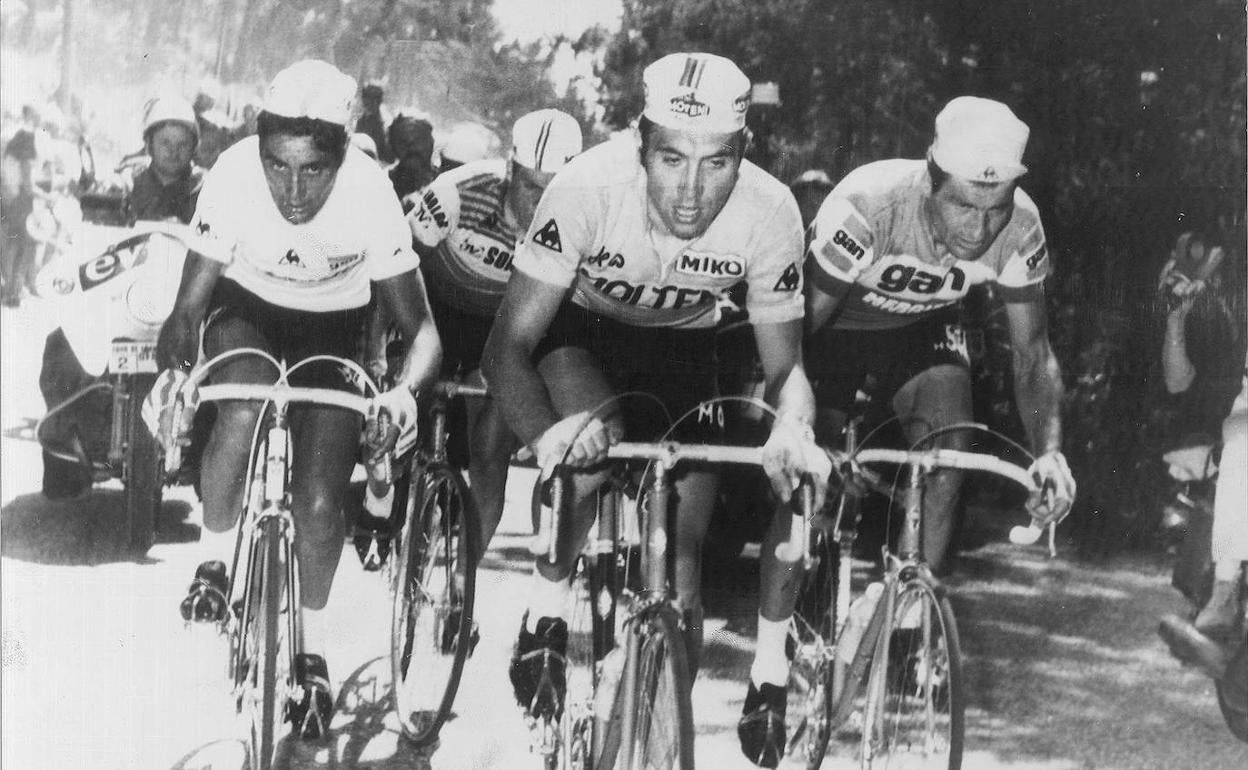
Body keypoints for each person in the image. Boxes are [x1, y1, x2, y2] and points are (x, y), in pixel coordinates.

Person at [480, 52, 829, 725]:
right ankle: (548, 609)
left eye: (717, 163)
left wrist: (793, 426)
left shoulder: (771, 210)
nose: (693, 190)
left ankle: (658, 731)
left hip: (681, 347)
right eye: (672, 160)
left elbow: (787, 371)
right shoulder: (585, 188)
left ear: (743, 152)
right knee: (588, 455)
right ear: (640, 145)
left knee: (682, 570)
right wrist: (546, 435)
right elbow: (507, 347)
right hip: (581, 329)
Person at [739, 96, 1078, 766]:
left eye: (996, 207)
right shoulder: (869, 204)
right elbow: (798, 333)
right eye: (963, 207)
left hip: (923, 333)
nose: (981, 228)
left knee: (954, 438)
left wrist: (1050, 453)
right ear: (930, 177)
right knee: (808, 480)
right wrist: (804, 427)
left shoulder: (1021, 227)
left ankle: (914, 616)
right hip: (834, 328)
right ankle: (768, 670)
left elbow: (1033, 355)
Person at [145, 59, 442, 738]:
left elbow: (420, 329)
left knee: (316, 502)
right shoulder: (230, 176)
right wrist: (175, 375)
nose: (293, 189)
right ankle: (212, 564)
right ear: (259, 149)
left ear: (343, 156)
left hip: (333, 328)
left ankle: (313, 655)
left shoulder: (370, 192)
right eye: (279, 166)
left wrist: (402, 394)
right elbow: (187, 310)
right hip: (246, 308)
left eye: (314, 171)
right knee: (244, 403)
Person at [379, 108, 583, 563]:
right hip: (436, 313)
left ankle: (460, 582)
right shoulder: (456, 192)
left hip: (499, 332)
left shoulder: (579, 216)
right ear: (510, 170)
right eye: (532, 186)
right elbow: (394, 269)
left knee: (490, 452)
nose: (542, 202)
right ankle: (387, 494)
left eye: (555, 191)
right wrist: (383, 350)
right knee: (405, 403)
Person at [1157, 234, 1247, 638]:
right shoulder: (1225, 299)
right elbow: (1178, 382)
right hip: (1232, 428)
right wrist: (1178, 318)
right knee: (1241, 443)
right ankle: (1224, 591)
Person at [125, 96, 205, 224]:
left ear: (194, 147)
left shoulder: (205, 189)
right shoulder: (131, 183)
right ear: (149, 144)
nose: (174, 151)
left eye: (182, 144)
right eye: (165, 143)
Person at [387, 112, 437, 199]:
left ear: (431, 143)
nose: (412, 148)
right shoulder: (384, 182)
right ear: (393, 146)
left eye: (419, 140)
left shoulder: (444, 181)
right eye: (403, 141)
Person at [355, 82, 393, 163]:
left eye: (370, 101)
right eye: (365, 99)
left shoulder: (384, 124)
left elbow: (387, 157)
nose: (365, 104)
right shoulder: (361, 121)